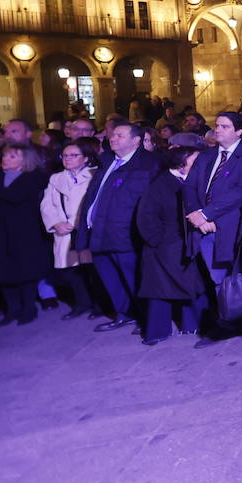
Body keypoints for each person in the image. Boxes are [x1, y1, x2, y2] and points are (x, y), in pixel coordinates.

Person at [74, 120, 160, 333]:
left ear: (136, 140)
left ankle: (145, 318)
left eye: (120, 135)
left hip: (126, 234)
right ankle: (124, 314)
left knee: (134, 279)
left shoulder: (149, 164)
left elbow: (151, 203)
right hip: (99, 232)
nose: (113, 138)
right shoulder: (107, 161)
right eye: (113, 135)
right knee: (110, 279)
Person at [182, 112, 242, 345]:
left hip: (231, 226)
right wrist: (198, 216)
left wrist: (208, 213)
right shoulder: (207, 155)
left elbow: (240, 192)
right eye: (217, 126)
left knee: (241, 277)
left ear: (239, 131)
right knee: (217, 278)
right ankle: (227, 322)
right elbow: (190, 186)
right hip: (204, 227)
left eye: (225, 126)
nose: (218, 130)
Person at [135, 146, 207, 345]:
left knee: (189, 286)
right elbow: (145, 218)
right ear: (181, 165)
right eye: (195, 161)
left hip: (183, 244)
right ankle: (157, 331)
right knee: (160, 291)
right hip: (164, 247)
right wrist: (158, 241)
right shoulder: (160, 185)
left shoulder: (189, 181)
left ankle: (192, 324)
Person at [0, 144, 51, 325]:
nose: (5, 159)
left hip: (24, 230)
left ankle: (29, 308)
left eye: (12, 157)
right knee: (1, 269)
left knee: (24, 269)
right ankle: (12, 309)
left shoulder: (34, 176)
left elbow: (15, 196)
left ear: (24, 160)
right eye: (5, 156)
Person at [40, 141, 99, 319]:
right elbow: (46, 204)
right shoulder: (56, 178)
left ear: (86, 158)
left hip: (86, 229)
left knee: (92, 269)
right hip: (65, 231)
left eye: (73, 155)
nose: (68, 159)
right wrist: (56, 222)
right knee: (71, 271)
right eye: (65, 155)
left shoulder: (95, 175)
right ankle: (82, 304)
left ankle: (99, 304)